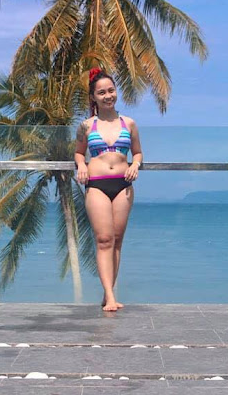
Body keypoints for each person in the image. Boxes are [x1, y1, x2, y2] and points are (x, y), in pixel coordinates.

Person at [74, 68, 143, 311]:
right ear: (93, 97)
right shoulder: (86, 125)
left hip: (123, 185)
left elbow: (137, 152)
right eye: (101, 92)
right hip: (96, 185)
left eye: (111, 91)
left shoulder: (129, 123)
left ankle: (109, 293)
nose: (107, 96)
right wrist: (82, 165)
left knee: (117, 240)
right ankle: (110, 296)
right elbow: (79, 152)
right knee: (104, 239)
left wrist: (135, 165)